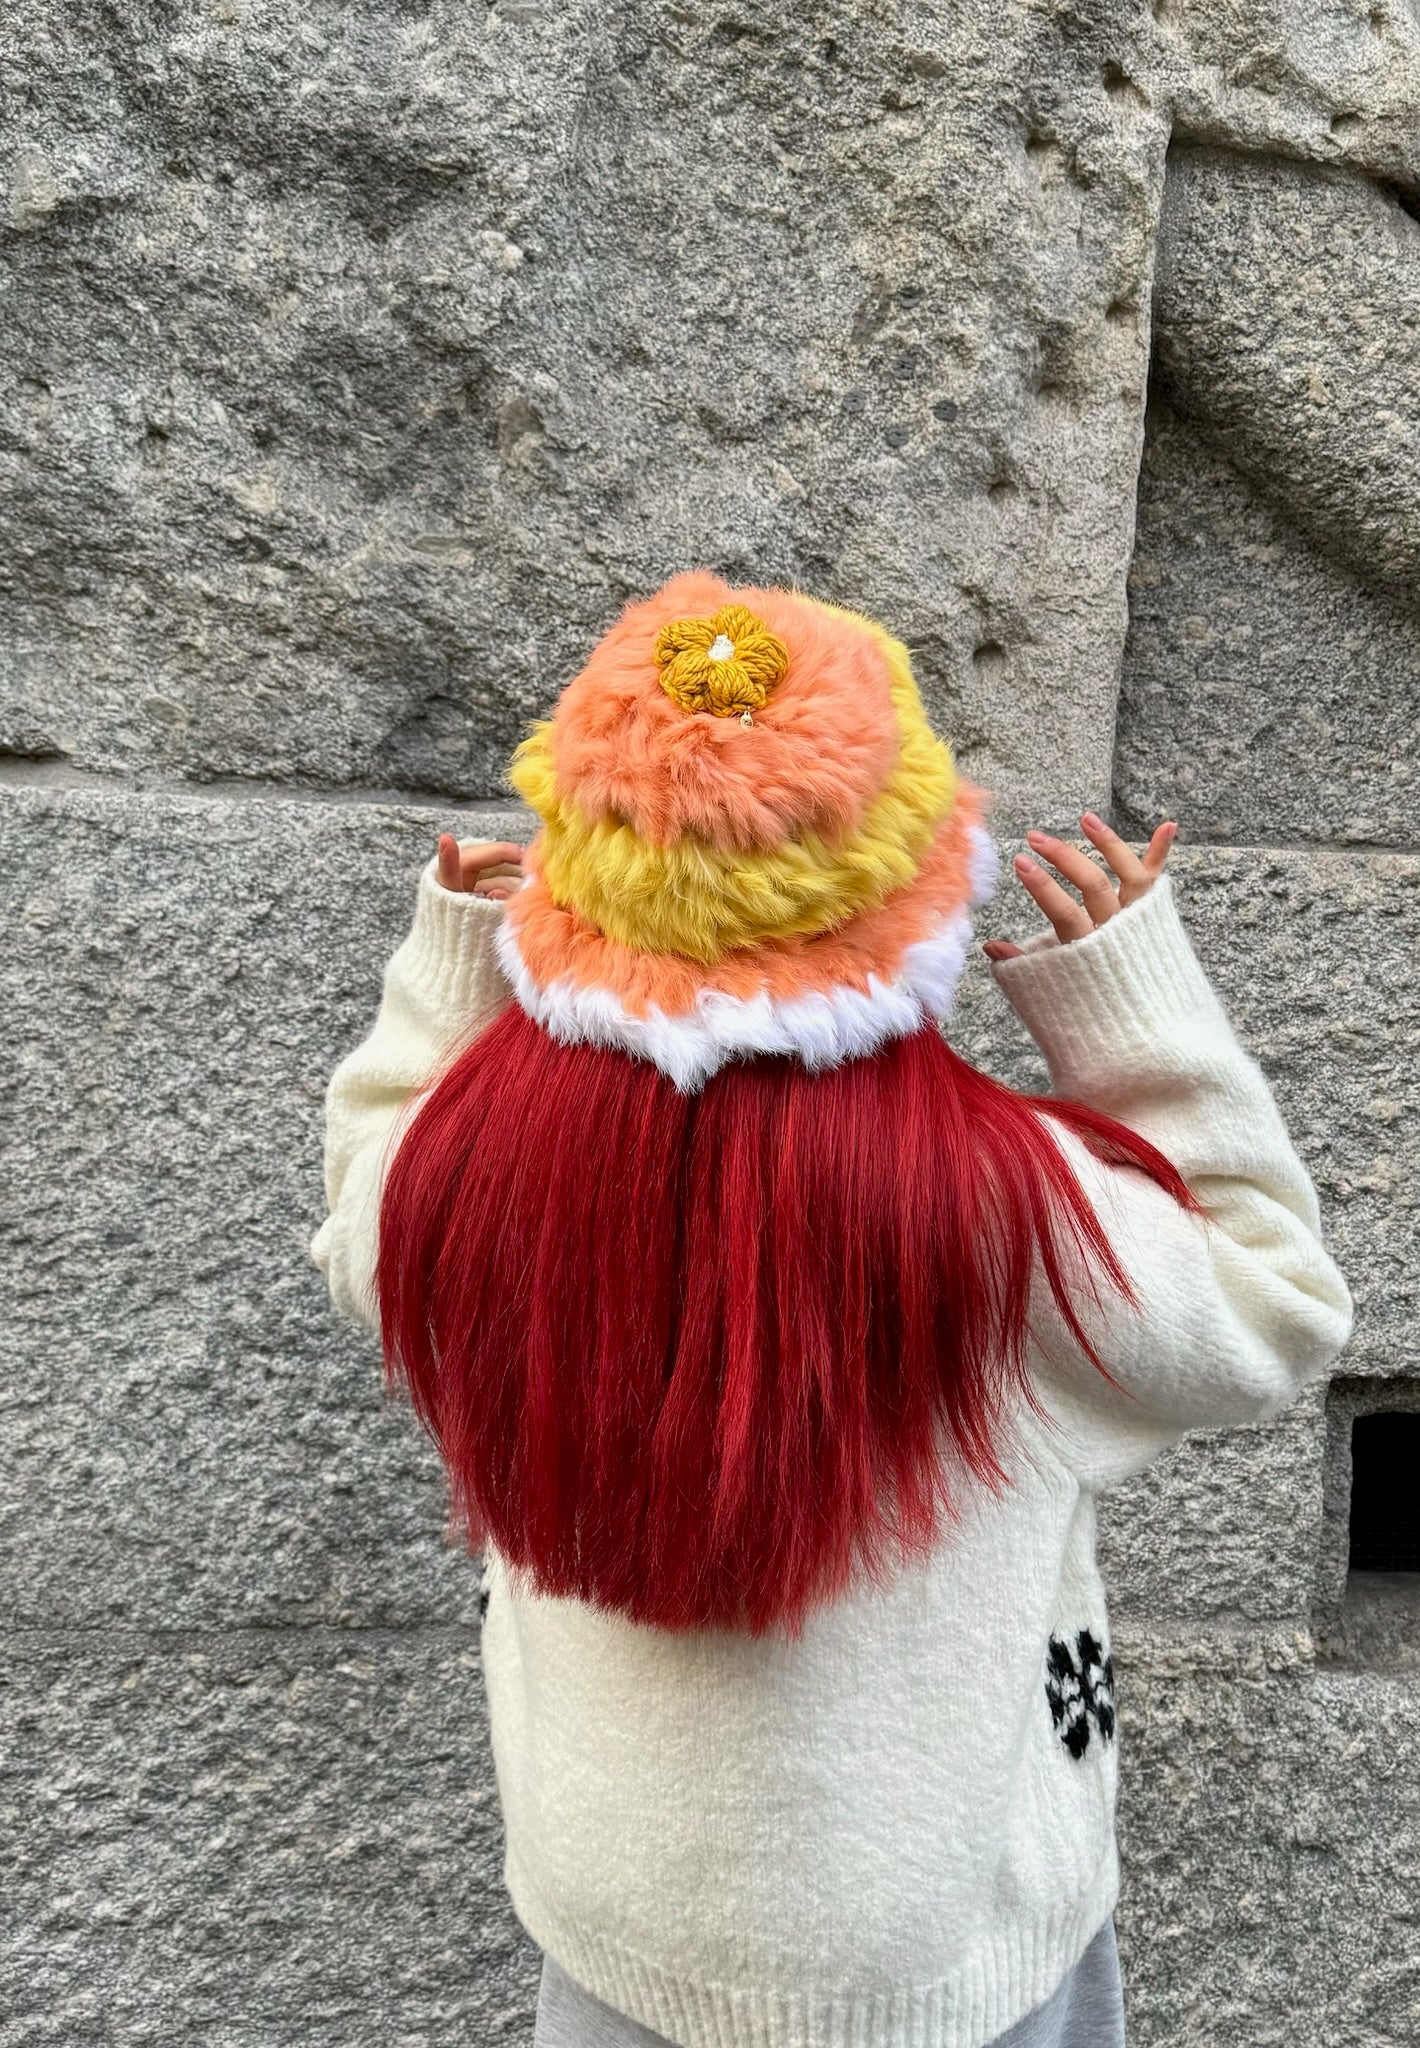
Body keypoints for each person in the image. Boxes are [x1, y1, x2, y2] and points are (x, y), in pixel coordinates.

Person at [311, 571, 1353, 2048]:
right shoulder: (1014, 1219)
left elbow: (369, 1195)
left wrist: (453, 975)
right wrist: (1133, 1005)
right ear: (916, 880)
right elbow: (1276, 1308)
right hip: (948, 1966)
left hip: (623, 1943)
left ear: (577, 880)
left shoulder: (469, 1186)